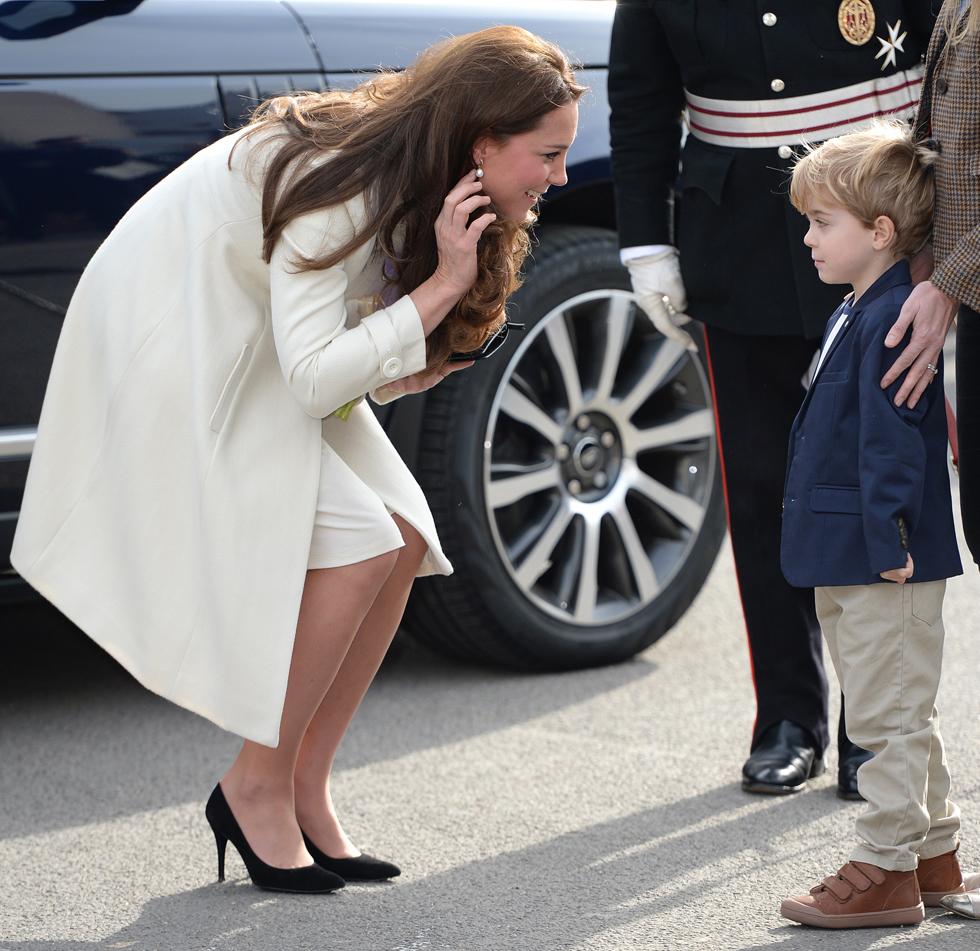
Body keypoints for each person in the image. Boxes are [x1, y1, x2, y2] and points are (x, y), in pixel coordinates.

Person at [10, 26, 583, 893]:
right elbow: (317, 379)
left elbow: (340, 362)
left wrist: (414, 356)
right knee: (357, 541)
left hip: (255, 344)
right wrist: (436, 289)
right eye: (549, 154)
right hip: (175, 346)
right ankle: (254, 787)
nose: (561, 177)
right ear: (481, 143)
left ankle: (303, 784)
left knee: (401, 532)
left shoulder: (412, 174)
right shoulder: (342, 182)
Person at [609, 0, 938, 798]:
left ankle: (876, 729)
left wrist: (944, 237)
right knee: (761, 488)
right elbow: (642, 96)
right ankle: (788, 718)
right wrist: (646, 242)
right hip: (739, 237)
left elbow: (949, 72)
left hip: (876, 234)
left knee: (877, 483)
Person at [778, 120, 967, 929]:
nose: (810, 239)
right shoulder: (858, 307)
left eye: (824, 223)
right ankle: (934, 854)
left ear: (881, 232)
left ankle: (886, 866)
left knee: (885, 721)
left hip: (881, 555)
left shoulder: (893, 317)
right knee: (895, 709)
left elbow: (894, 442)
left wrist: (891, 534)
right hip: (847, 550)